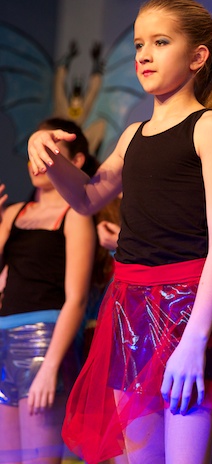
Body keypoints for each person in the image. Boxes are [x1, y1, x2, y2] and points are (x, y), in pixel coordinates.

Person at [27, 0, 212, 464]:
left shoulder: (209, 127)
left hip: (187, 306)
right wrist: (48, 154)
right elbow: (87, 198)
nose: (144, 55)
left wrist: (195, 339)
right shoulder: (132, 135)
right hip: (130, 308)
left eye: (160, 42)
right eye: (139, 44)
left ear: (198, 56)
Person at [0, 117, 97, 464]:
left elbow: (77, 299)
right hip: (3, 342)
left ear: (76, 161)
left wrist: (50, 364)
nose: (37, 161)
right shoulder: (13, 213)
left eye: (48, 152)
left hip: (44, 341)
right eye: (33, 153)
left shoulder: (76, 214)